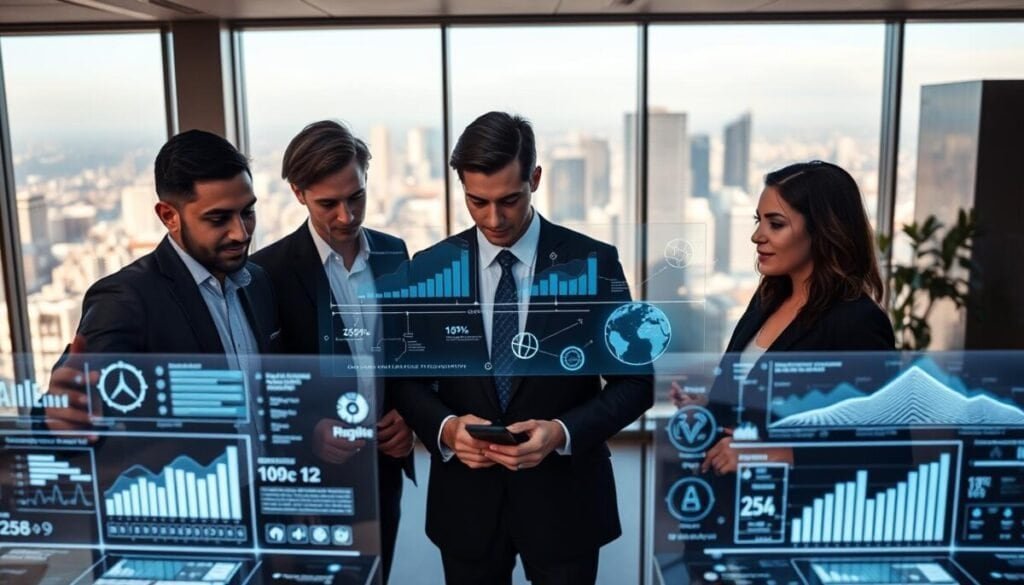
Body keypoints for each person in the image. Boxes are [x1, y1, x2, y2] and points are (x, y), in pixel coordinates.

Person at [393, 112, 653, 585]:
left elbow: (636, 383)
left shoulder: (594, 262)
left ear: (535, 178)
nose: (494, 219)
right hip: (467, 509)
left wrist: (562, 431)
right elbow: (406, 381)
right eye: (478, 202)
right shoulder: (430, 268)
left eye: (510, 200)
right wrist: (448, 429)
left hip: (566, 506)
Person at [250, 120, 414, 583]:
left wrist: (408, 416)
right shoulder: (268, 272)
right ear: (298, 193)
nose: (346, 215)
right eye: (328, 203)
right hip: (310, 478)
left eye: (356, 197)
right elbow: (259, 380)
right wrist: (308, 430)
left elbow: (407, 357)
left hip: (382, 466)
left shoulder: (393, 254)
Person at [45, 129, 281, 432]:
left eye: (247, 212)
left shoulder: (257, 281)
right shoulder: (125, 299)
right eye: (218, 218)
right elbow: (73, 409)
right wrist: (59, 413)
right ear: (169, 216)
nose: (241, 233)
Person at [701, 160, 895, 475]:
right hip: (735, 502)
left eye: (775, 224)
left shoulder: (857, 322)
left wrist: (769, 454)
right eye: (758, 220)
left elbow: (883, 447)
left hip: (802, 511)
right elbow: (749, 399)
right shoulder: (766, 299)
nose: (756, 236)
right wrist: (706, 409)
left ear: (821, 231)